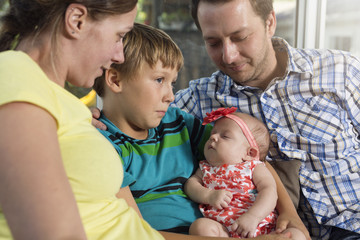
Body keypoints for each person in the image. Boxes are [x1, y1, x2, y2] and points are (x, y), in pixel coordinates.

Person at [170, 0, 360, 239]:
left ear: (270, 23)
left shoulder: (342, 72)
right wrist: (106, 117)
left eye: (240, 37)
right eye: (214, 43)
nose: (228, 56)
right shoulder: (199, 98)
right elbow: (140, 111)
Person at [92, 22, 293, 240]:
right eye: (159, 80)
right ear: (115, 79)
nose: (170, 96)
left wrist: (290, 214)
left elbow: (249, 156)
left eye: (172, 83)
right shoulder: (102, 144)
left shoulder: (177, 123)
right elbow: (136, 233)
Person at [0, 1, 167, 239]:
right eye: (119, 36)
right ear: (76, 20)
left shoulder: (59, 102)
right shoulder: (15, 73)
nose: (120, 56)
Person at [185, 107, 305, 240]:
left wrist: (254, 216)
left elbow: (269, 191)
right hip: (223, 230)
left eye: (225, 136)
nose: (213, 137)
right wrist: (208, 195)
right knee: (200, 227)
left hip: (261, 227)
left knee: (296, 235)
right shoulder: (205, 167)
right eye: (212, 134)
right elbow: (191, 185)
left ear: (249, 153)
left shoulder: (254, 167)